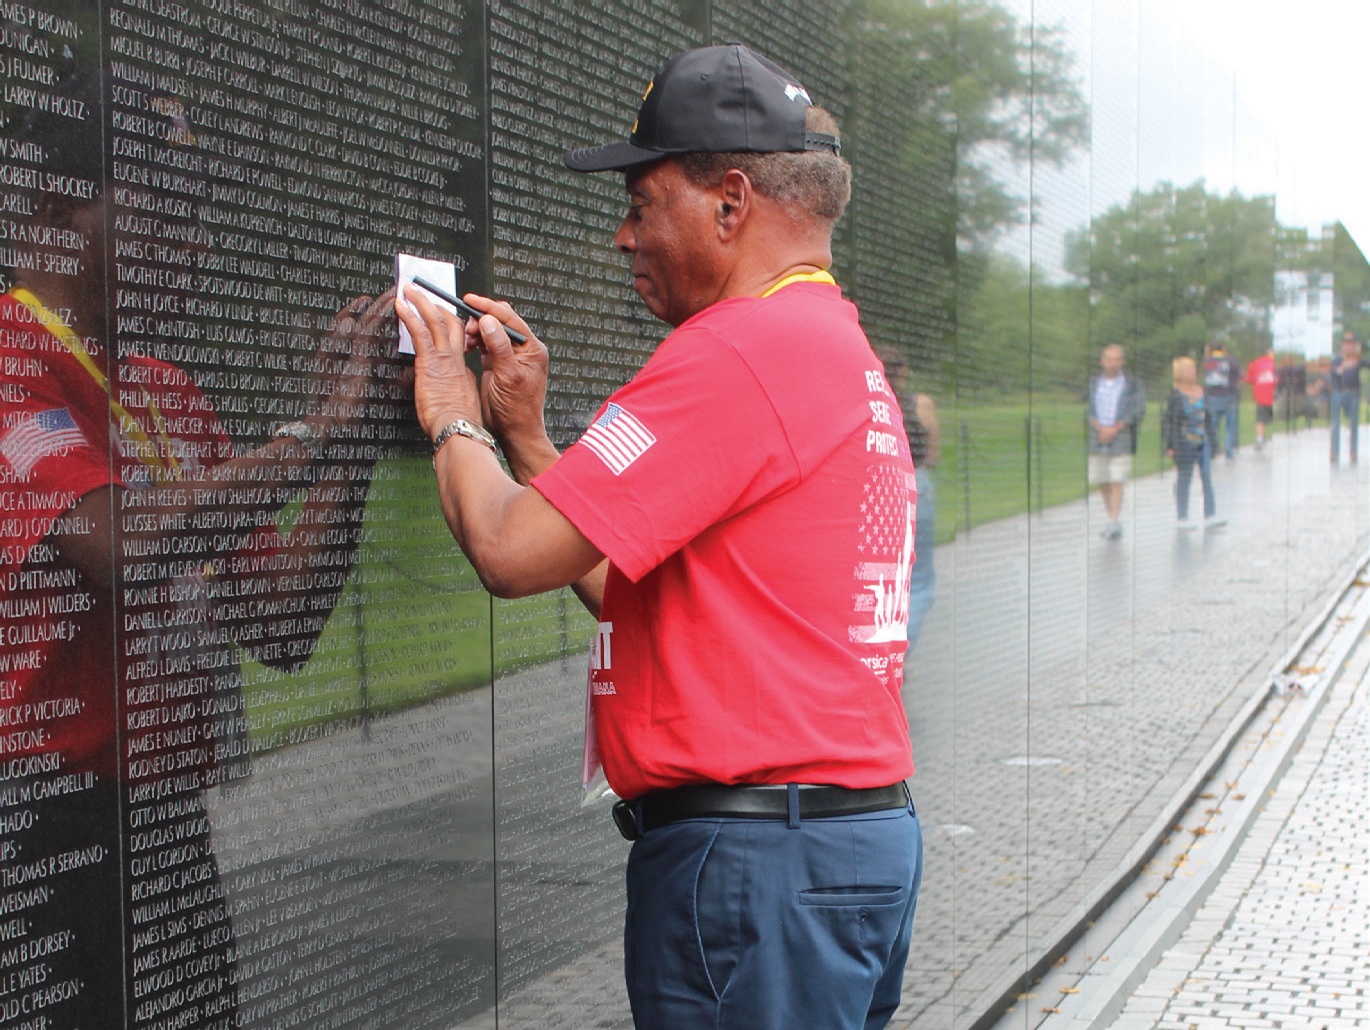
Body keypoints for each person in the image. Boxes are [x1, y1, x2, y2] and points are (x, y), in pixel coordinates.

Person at [396, 44, 922, 1030]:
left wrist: (448, 410)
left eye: (641, 204)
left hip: (755, 864)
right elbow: (626, 577)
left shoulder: (732, 353)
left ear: (728, 204)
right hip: (839, 844)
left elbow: (511, 551)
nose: (620, 236)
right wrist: (523, 435)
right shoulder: (825, 337)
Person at [0, 84, 398, 1030]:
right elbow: (121, 548)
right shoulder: (15, 355)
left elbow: (282, 621)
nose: (197, 245)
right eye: (167, 208)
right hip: (43, 827)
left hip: (163, 825)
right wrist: (315, 432)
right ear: (63, 206)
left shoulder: (162, 388)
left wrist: (351, 440)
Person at [1087, 343, 1145, 539]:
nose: (1113, 363)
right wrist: (1099, 427)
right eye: (1109, 359)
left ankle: (1113, 521)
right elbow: (1088, 410)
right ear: (1102, 361)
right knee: (1102, 480)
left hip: (1120, 437)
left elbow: (1137, 411)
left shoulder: (1132, 384)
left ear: (1122, 362)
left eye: (1116, 359)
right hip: (1097, 437)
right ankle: (1111, 518)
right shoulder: (1095, 383)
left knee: (1117, 480)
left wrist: (1115, 428)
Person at [1163, 356, 1225, 530]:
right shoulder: (1176, 394)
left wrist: (1213, 441)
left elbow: (1208, 418)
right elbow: (1170, 420)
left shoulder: (1201, 391)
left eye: (1193, 369)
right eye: (1188, 369)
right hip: (1184, 441)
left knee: (1206, 476)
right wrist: (1170, 444)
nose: (1193, 372)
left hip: (1203, 440)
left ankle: (1210, 514)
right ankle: (1182, 516)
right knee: (1184, 477)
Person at [1329, 331, 1367, 464]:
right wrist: (1344, 365)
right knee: (1335, 423)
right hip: (1339, 392)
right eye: (1346, 343)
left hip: (1353, 393)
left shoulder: (1357, 359)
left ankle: (1353, 450)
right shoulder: (1337, 358)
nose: (1348, 346)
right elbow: (1334, 372)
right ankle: (1334, 451)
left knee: (1354, 423)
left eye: (1351, 344)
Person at [1203, 339, 1241, 459]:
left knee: (1213, 426)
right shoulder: (1230, 361)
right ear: (1223, 348)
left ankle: (1212, 451)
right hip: (1229, 396)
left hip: (1212, 398)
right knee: (1230, 426)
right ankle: (1228, 452)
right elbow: (1239, 376)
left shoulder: (1207, 362)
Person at [1245, 347, 1277, 449]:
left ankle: (1260, 439)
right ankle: (1262, 437)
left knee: (1260, 420)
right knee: (1264, 419)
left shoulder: (1257, 363)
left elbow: (1249, 379)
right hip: (1274, 396)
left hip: (1262, 396)